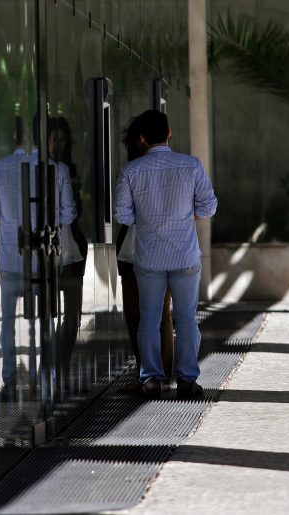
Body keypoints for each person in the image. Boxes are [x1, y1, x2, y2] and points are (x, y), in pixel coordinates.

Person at [113, 109, 217, 399]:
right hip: (185, 255)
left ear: (143, 138)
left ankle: (151, 379)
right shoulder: (191, 165)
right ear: (169, 133)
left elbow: (122, 214)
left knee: (148, 319)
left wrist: (147, 220)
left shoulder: (131, 172)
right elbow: (209, 206)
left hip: (149, 258)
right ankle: (186, 380)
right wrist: (185, 216)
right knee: (185, 319)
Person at [0, 115, 77, 400]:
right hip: (43, 262)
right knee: (46, 320)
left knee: (8, 321)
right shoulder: (57, 171)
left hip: (10, 257)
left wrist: (9, 219)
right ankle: (47, 376)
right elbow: (68, 213)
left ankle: (9, 379)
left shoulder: (1, 167)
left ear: (13, 137)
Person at [116, 117, 174, 393]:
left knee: (155, 314)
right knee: (138, 315)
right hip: (133, 248)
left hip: (147, 248)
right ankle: (148, 373)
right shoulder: (133, 169)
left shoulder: (161, 168)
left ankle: (157, 375)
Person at [47, 117, 87, 395]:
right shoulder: (45, 170)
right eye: (54, 139)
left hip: (72, 251)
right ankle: (50, 369)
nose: (58, 145)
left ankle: (62, 367)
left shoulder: (68, 169)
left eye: (62, 139)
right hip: (50, 253)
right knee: (50, 315)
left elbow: (76, 212)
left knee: (72, 316)